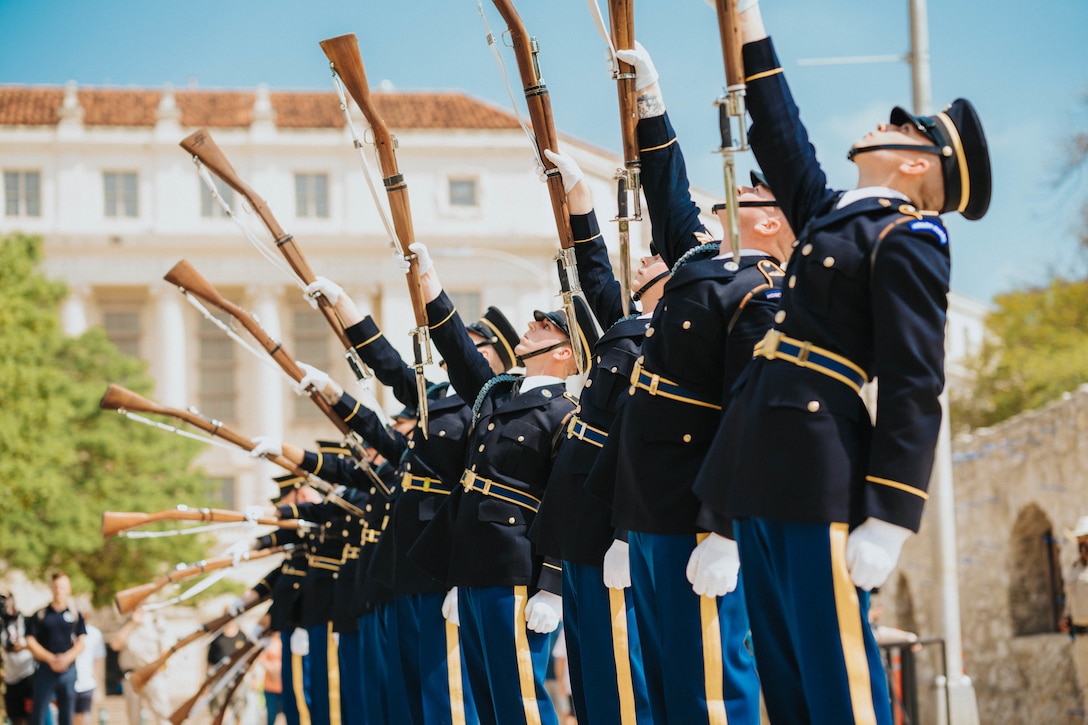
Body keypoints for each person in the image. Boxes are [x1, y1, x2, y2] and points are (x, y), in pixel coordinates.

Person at [691, 2, 992, 722]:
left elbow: (916, 381)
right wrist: (748, 23)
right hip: (764, 465)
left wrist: (891, 512)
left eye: (903, 125)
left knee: (838, 684)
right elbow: (781, 132)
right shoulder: (834, 214)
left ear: (919, 164)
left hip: (821, 469)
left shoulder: (909, 236)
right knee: (787, 682)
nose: (882, 121)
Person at [582, 40, 791, 725]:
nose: (734, 194)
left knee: (709, 685)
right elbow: (668, 189)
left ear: (772, 220)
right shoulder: (708, 261)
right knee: (665, 681)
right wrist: (651, 98)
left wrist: (723, 528)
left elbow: (748, 414)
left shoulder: (763, 291)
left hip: (695, 506)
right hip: (649, 506)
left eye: (755, 192)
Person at [405, 237, 596, 725]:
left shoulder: (565, 414)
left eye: (546, 326)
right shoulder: (498, 394)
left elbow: (566, 500)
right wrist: (430, 286)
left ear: (567, 355)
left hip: (515, 564)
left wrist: (551, 584)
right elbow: (461, 354)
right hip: (472, 558)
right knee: (487, 695)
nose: (533, 325)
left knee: (520, 698)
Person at [527, 146, 660, 725]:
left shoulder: (685, 333)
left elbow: (650, 444)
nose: (643, 263)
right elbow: (594, 269)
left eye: (654, 259)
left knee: (625, 682)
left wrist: (628, 532)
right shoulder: (629, 326)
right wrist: (578, 198)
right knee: (591, 684)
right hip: (579, 519)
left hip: (618, 522)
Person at [25, 572, 86, 725]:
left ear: (69, 589)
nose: (59, 590)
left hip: (68, 671)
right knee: (39, 713)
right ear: (51, 588)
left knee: (67, 714)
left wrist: (66, 658)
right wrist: (50, 659)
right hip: (45, 669)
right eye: (56, 587)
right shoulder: (41, 615)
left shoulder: (75, 614)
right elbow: (30, 641)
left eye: (63, 587)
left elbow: (81, 642)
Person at [108, 604, 172, 725]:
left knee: (163, 715)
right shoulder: (124, 623)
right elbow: (115, 645)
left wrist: (157, 668)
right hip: (131, 675)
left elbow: (166, 651)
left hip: (153, 675)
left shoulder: (156, 621)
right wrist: (132, 623)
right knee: (133, 718)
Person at [1061, 516, 1088, 704]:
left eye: (1086, 542)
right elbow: (1070, 602)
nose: (1083, 547)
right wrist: (1066, 618)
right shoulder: (1075, 569)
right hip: (1080, 638)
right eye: (1080, 543)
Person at [2, 590, 37, 725]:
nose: (4, 603)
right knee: (16, 718)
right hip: (11, 678)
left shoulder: (26, 621)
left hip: (29, 674)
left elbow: (37, 643)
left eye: (6, 599)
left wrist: (24, 647)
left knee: (31, 717)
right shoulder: (2, 624)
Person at [71, 611, 104, 725]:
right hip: (67, 682)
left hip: (86, 684)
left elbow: (97, 661)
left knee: (82, 720)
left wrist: (98, 687)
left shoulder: (95, 633)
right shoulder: (65, 630)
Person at [256, 619, 283, 725]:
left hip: (285, 685)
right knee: (271, 717)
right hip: (271, 685)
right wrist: (272, 669)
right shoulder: (269, 640)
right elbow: (261, 657)